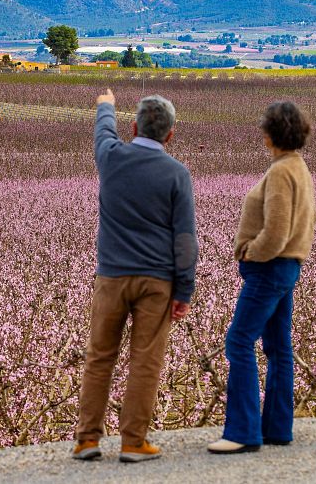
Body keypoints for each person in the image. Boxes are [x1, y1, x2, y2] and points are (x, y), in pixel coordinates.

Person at [73, 89, 198, 463]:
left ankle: (87, 440)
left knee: (99, 358)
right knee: (145, 361)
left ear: (133, 127)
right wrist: (184, 289)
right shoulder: (177, 173)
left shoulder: (112, 158)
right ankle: (133, 442)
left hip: (111, 276)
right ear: (171, 135)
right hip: (157, 282)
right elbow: (185, 238)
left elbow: (102, 133)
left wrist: (105, 104)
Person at [208, 101, 316, 454]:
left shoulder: (283, 172)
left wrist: (249, 251)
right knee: (278, 348)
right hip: (286, 268)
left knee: (238, 342)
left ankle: (242, 432)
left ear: (271, 134)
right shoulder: (298, 168)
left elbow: (276, 231)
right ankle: (276, 429)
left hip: (270, 268)